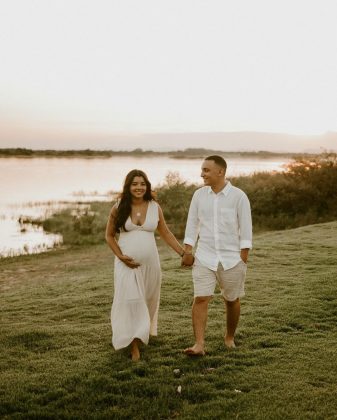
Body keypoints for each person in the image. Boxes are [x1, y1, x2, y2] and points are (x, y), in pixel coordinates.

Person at [106, 169, 185, 361]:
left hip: (150, 263)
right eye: (134, 184)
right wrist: (121, 256)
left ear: (147, 186)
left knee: (148, 299)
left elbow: (165, 233)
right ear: (128, 186)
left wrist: (184, 253)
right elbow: (109, 236)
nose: (139, 187)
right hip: (126, 264)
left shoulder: (154, 207)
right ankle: (133, 345)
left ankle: (141, 333)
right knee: (130, 300)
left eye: (142, 184)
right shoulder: (119, 207)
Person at [181, 155, 252, 355]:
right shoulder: (198, 195)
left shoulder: (239, 196)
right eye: (202, 170)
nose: (202, 174)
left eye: (206, 170)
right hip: (204, 256)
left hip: (232, 259)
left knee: (231, 300)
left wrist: (243, 258)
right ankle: (199, 345)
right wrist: (188, 250)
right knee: (201, 298)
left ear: (220, 172)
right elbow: (192, 224)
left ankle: (229, 337)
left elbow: (246, 230)